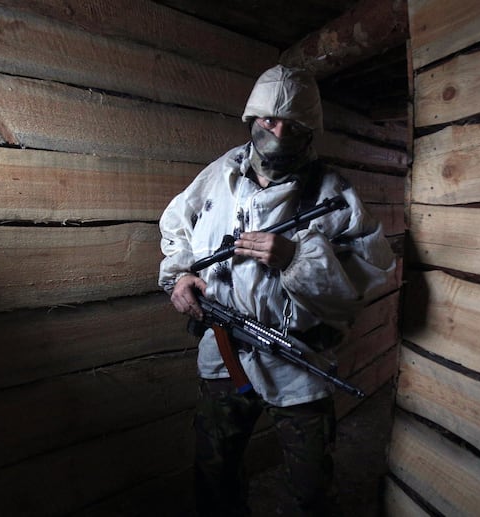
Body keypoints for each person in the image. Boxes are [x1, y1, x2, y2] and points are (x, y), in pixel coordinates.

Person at [158, 65, 396, 516]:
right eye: (269, 119)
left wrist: (296, 258)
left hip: (298, 360)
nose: (278, 130)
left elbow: (372, 272)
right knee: (214, 470)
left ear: (311, 129)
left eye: (292, 123)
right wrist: (180, 276)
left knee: (309, 486)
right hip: (223, 352)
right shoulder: (220, 175)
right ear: (253, 118)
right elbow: (177, 229)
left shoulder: (334, 194)